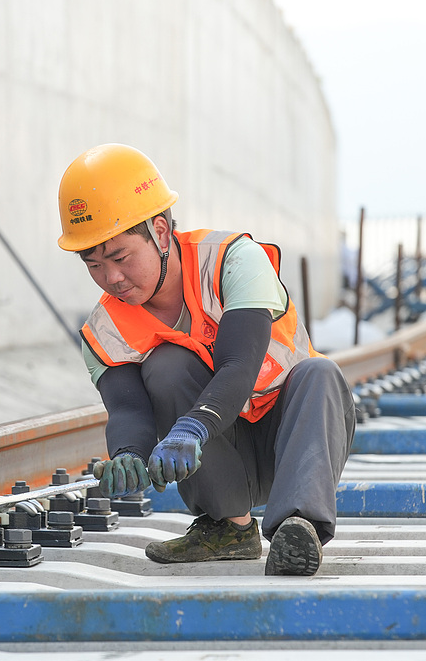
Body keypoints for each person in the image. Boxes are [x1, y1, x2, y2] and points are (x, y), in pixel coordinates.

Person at [57, 143, 356, 576]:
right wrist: (128, 454)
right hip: (218, 462)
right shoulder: (104, 329)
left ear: (160, 232)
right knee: (166, 365)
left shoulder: (233, 261)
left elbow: (239, 364)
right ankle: (228, 529)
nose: (113, 278)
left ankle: (299, 527)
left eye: (121, 258)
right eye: (94, 265)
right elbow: (128, 410)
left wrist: (191, 428)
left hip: (292, 443)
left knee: (319, 373)